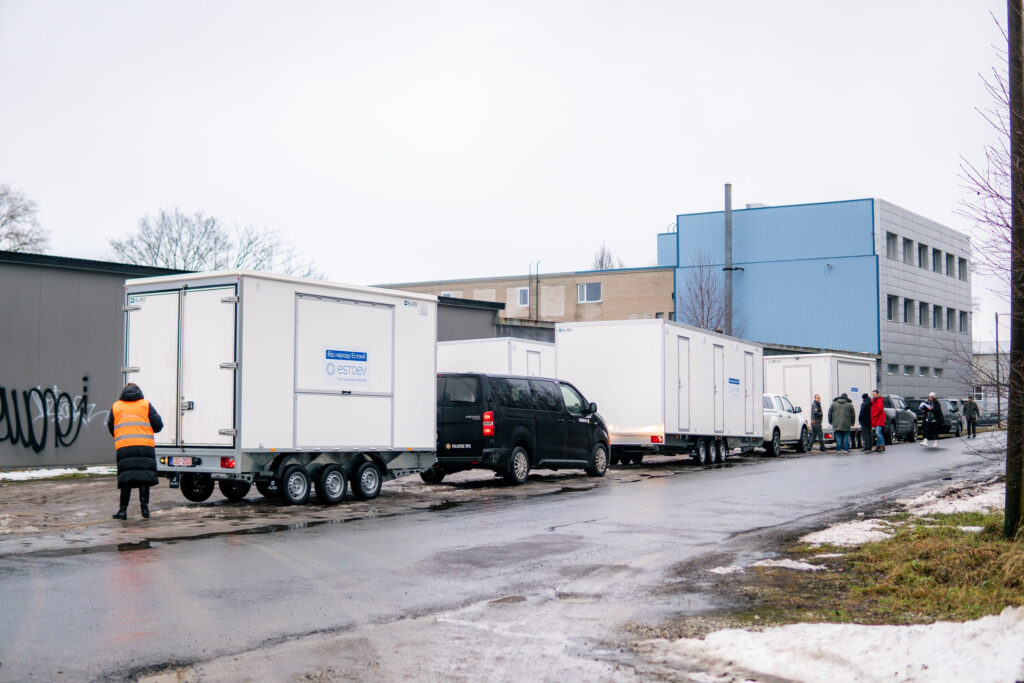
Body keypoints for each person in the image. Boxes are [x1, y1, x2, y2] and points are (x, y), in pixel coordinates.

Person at [106, 383, 163, 519]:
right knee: (143, 478)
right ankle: (145, 509)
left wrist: (121, 435)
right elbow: (158, 425)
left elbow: (110, 426)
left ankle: (122, 511)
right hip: (144, 447)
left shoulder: (116, 406)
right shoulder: (145, 405)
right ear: (139, 392)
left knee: (126, 478)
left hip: (124, 447)